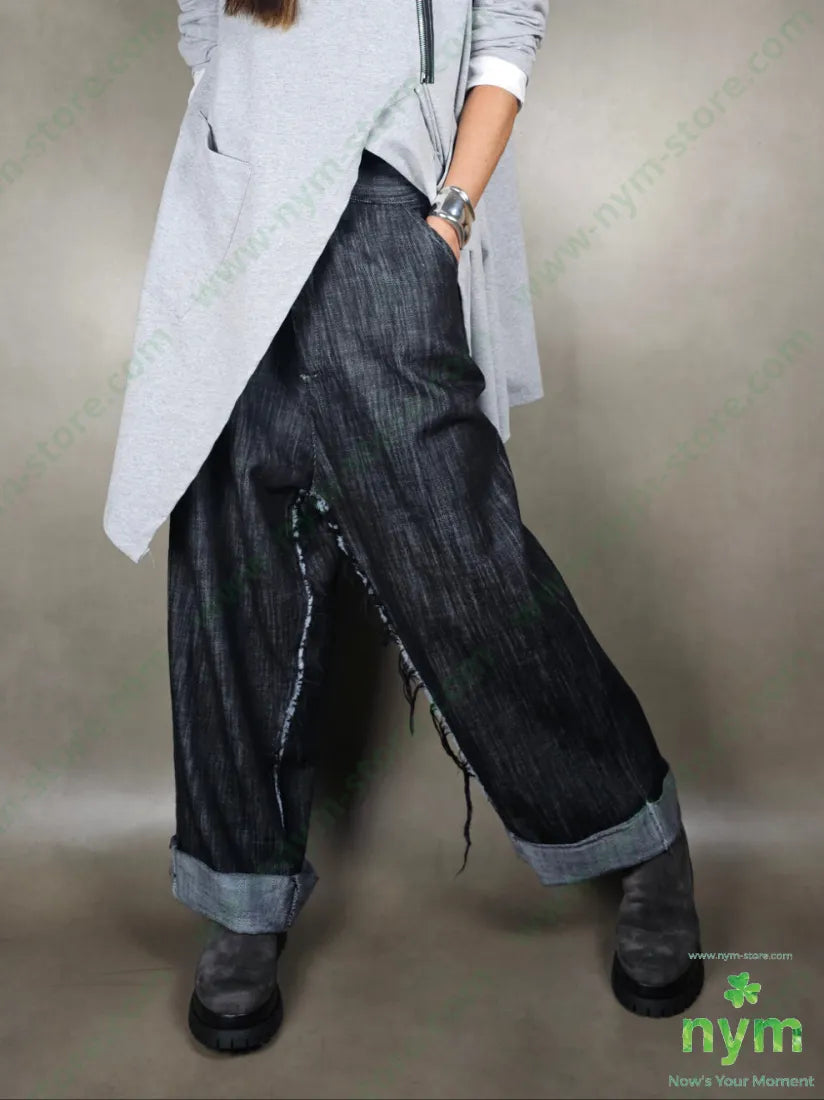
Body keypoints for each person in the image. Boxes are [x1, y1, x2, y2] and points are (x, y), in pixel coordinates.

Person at [103, 0, 704, 1054]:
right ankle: (241, 891)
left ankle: (637, 832)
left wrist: (448, 217)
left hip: (385, 207)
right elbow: (206, 26)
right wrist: (236, 148)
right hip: (233, 212)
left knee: (458, 555)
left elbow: (505, 32)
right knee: (233, 554)